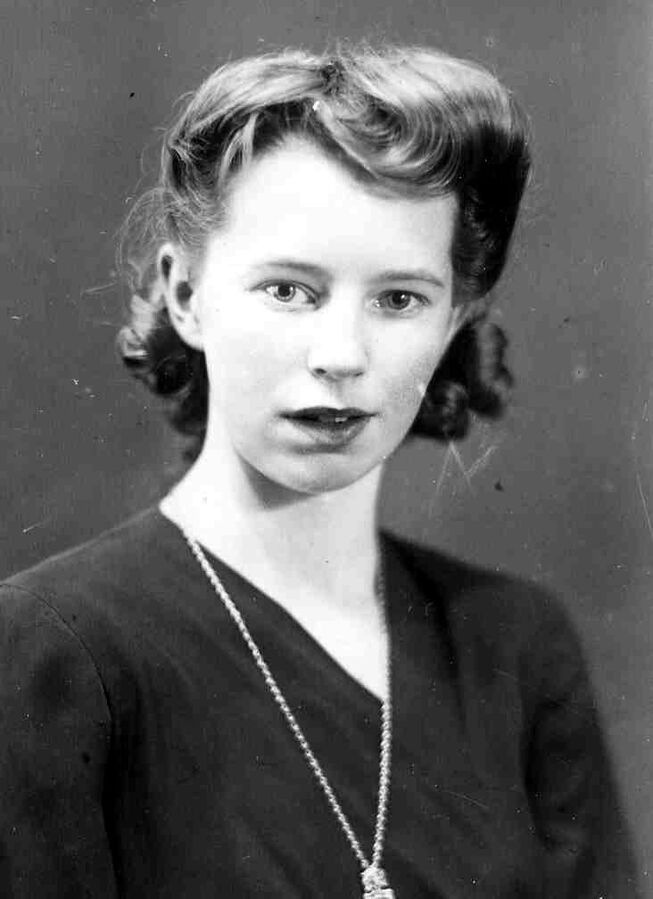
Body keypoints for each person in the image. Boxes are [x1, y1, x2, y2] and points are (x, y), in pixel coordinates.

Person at [0, 43, 640, 898]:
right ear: (186, 295)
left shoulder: (514, 646)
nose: (341, 354)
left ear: (454, 319)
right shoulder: (53, 649)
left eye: (398, 299)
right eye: (288, 290)